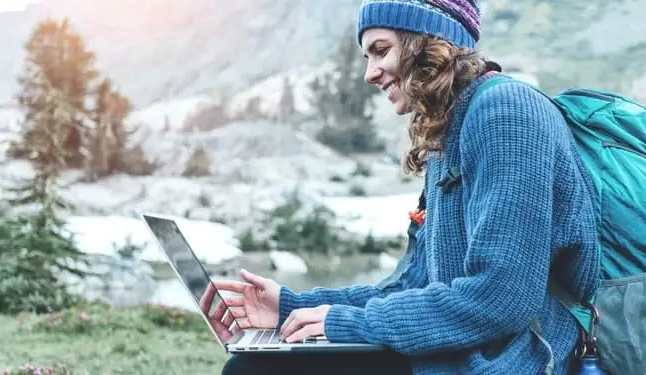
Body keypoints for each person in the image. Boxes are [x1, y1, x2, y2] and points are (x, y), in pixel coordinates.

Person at [205, 0, 602, 373]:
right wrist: (289, 307)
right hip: (466, 352)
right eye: (367, 56)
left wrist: (346, 324)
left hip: (514, 359)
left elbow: (501, 297)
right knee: (259, 363)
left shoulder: (507, 112)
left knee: (257, 369)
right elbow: (412, 285)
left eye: (381, 50)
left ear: (427, 42)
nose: (369, 73)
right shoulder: (450, 130)